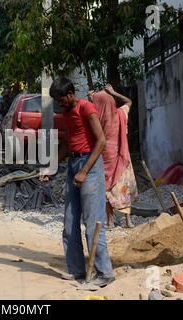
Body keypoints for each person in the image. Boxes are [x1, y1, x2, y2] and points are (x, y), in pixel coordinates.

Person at [50, 77, 115, 287]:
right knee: (70, 222)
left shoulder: (86, 108)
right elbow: (68, 144)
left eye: (61, 99)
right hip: (73, 164)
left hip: (90, 165)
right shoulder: (66, 114)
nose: (60, 104)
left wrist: (84, 171)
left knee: (92, 222)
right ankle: (77, 270)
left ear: (70, 94)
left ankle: (105, 273)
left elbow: (102, 140)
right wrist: (51, 167)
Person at [88, 85, 138, 229]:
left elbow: (89, 113)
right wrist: (114, 92)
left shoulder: (95, 120)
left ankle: (110, 221)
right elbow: (129, 102)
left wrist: (91, 100)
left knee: (106, 190)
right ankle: (128, 220)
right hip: (121, 159)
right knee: (124, 189)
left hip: (104, 160)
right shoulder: (120, 114)